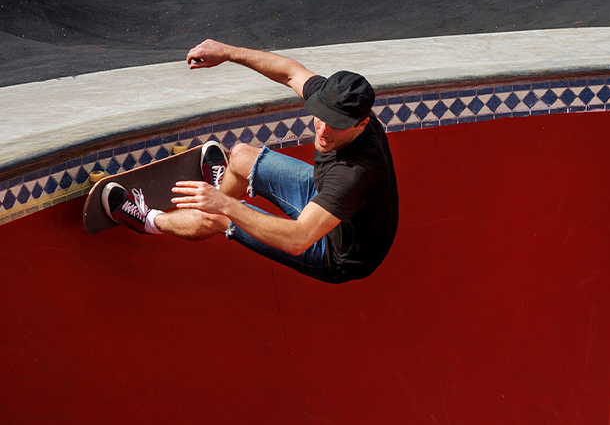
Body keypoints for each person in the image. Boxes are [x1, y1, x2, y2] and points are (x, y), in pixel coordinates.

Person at [102, 40, 399, 283]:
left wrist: (227, 206)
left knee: (222, 217)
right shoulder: (340, 103)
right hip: (328, 200)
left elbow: (299, 239)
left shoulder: (356, 174)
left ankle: (149, 221)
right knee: (242, 155)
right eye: (321, 118)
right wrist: (228, 52)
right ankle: (221, 189)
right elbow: (290, 72)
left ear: (362, 124)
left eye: (335, 125)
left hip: (333, 250)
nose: (323, 130)